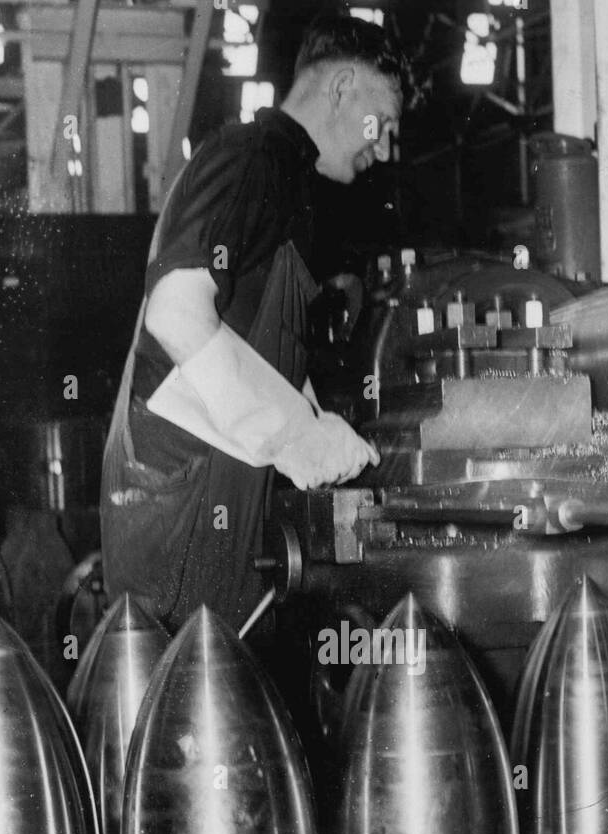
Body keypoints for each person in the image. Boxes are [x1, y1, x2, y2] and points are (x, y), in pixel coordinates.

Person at [100, 13, 405, 635]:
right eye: (385, 123)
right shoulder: (248, 159)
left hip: (221, 493)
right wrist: (295, 435)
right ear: (343, 87)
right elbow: (177, 314)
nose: (386, 147)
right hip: (181, 508)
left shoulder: (288, 178)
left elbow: (249, 339)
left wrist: (315, 423)